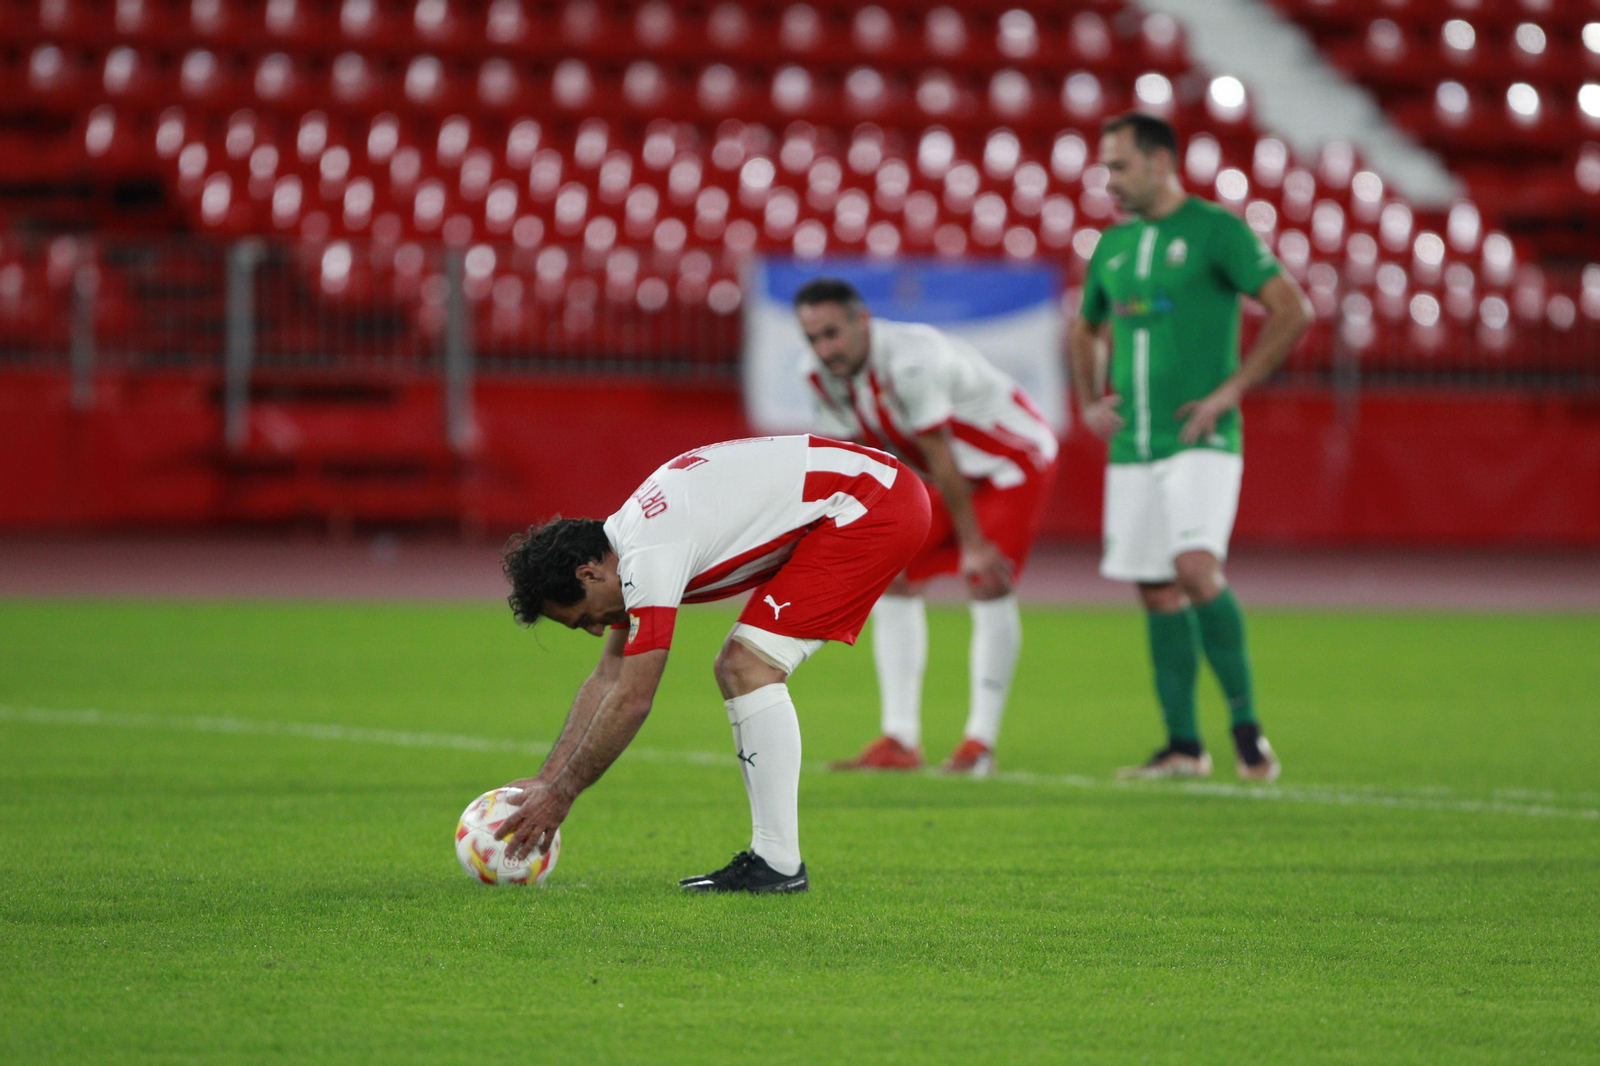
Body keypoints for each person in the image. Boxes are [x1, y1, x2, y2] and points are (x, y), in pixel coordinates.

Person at [491, 434, 931, 893]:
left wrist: (561, 796)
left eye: (583, 619)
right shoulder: (627, 542)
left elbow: (634, 697)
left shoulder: (648, 555)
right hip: (870, 493)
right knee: (740, 666)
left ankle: (777, 865)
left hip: (870, 505)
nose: (597, 631)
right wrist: (545, 781)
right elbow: (608, 677)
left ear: (588, 573)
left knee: (747, 667)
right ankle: (775, 862)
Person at [1069, 112, 1312, 782]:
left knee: (1195, 567)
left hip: (1200, 439)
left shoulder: (1216, 230)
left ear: (1158, 162)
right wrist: (1089, 396)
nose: (1109, 179)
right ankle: (1183, 746)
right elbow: (1085, 328)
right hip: (1134, 448)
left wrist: (1231, 390)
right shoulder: (1111, 249)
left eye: (1119, 165)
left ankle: (1247, 730)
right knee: (1153, 587)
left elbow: (1291, 308)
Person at [795, 278, 1059, 777]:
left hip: (1010, 464)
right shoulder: (817, 376)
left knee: (986, 579)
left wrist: (975, 546)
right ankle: (900, 739)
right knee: (893, 577)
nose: (824, 349)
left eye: (833, 333)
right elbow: (860, 462)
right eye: (814, 338)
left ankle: (979, 744)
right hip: (944, 475)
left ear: (862, 322)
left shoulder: (912, 360)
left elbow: (939, 450)